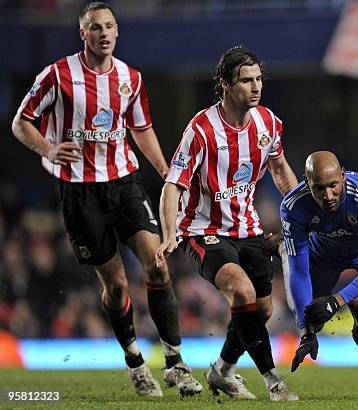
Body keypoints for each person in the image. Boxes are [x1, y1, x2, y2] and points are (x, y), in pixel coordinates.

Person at [11, 2, 201, 398]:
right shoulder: (58, 75)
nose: (104, 33)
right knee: (116, 286)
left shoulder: (130, 78)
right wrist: (47, 148)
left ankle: (175, 363)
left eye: (110, 26)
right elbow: (20, 122)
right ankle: (134, 361)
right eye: (95, 27)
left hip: (125, 183)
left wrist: (167, 171)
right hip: (80, 193)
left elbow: (141, 129)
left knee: (159, 267)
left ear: (117, 31)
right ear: (83, 33)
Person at [155, 45, 299, 401]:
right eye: (246, 80)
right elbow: (173, 185)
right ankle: (273, 380)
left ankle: (221, 370)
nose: (256, 87)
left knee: (262, 310)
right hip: (204, 232)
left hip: (248, 229)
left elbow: (280, 171)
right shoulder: (201, 130)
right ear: (225, 84)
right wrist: (171, 231)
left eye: (259, 79)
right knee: (243, 291)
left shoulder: (268, 123)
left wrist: (301, 214)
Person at [278, 151, 358, 371]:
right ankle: (354, 305)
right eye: (319, 188)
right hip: (325, 254)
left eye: (333, 185)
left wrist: (337, 300)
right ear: (307, 183)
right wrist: (305, 333)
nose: (328, 195)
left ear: (343, 176)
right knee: (313, 318)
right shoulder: (293, 207)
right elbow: (298, 272)